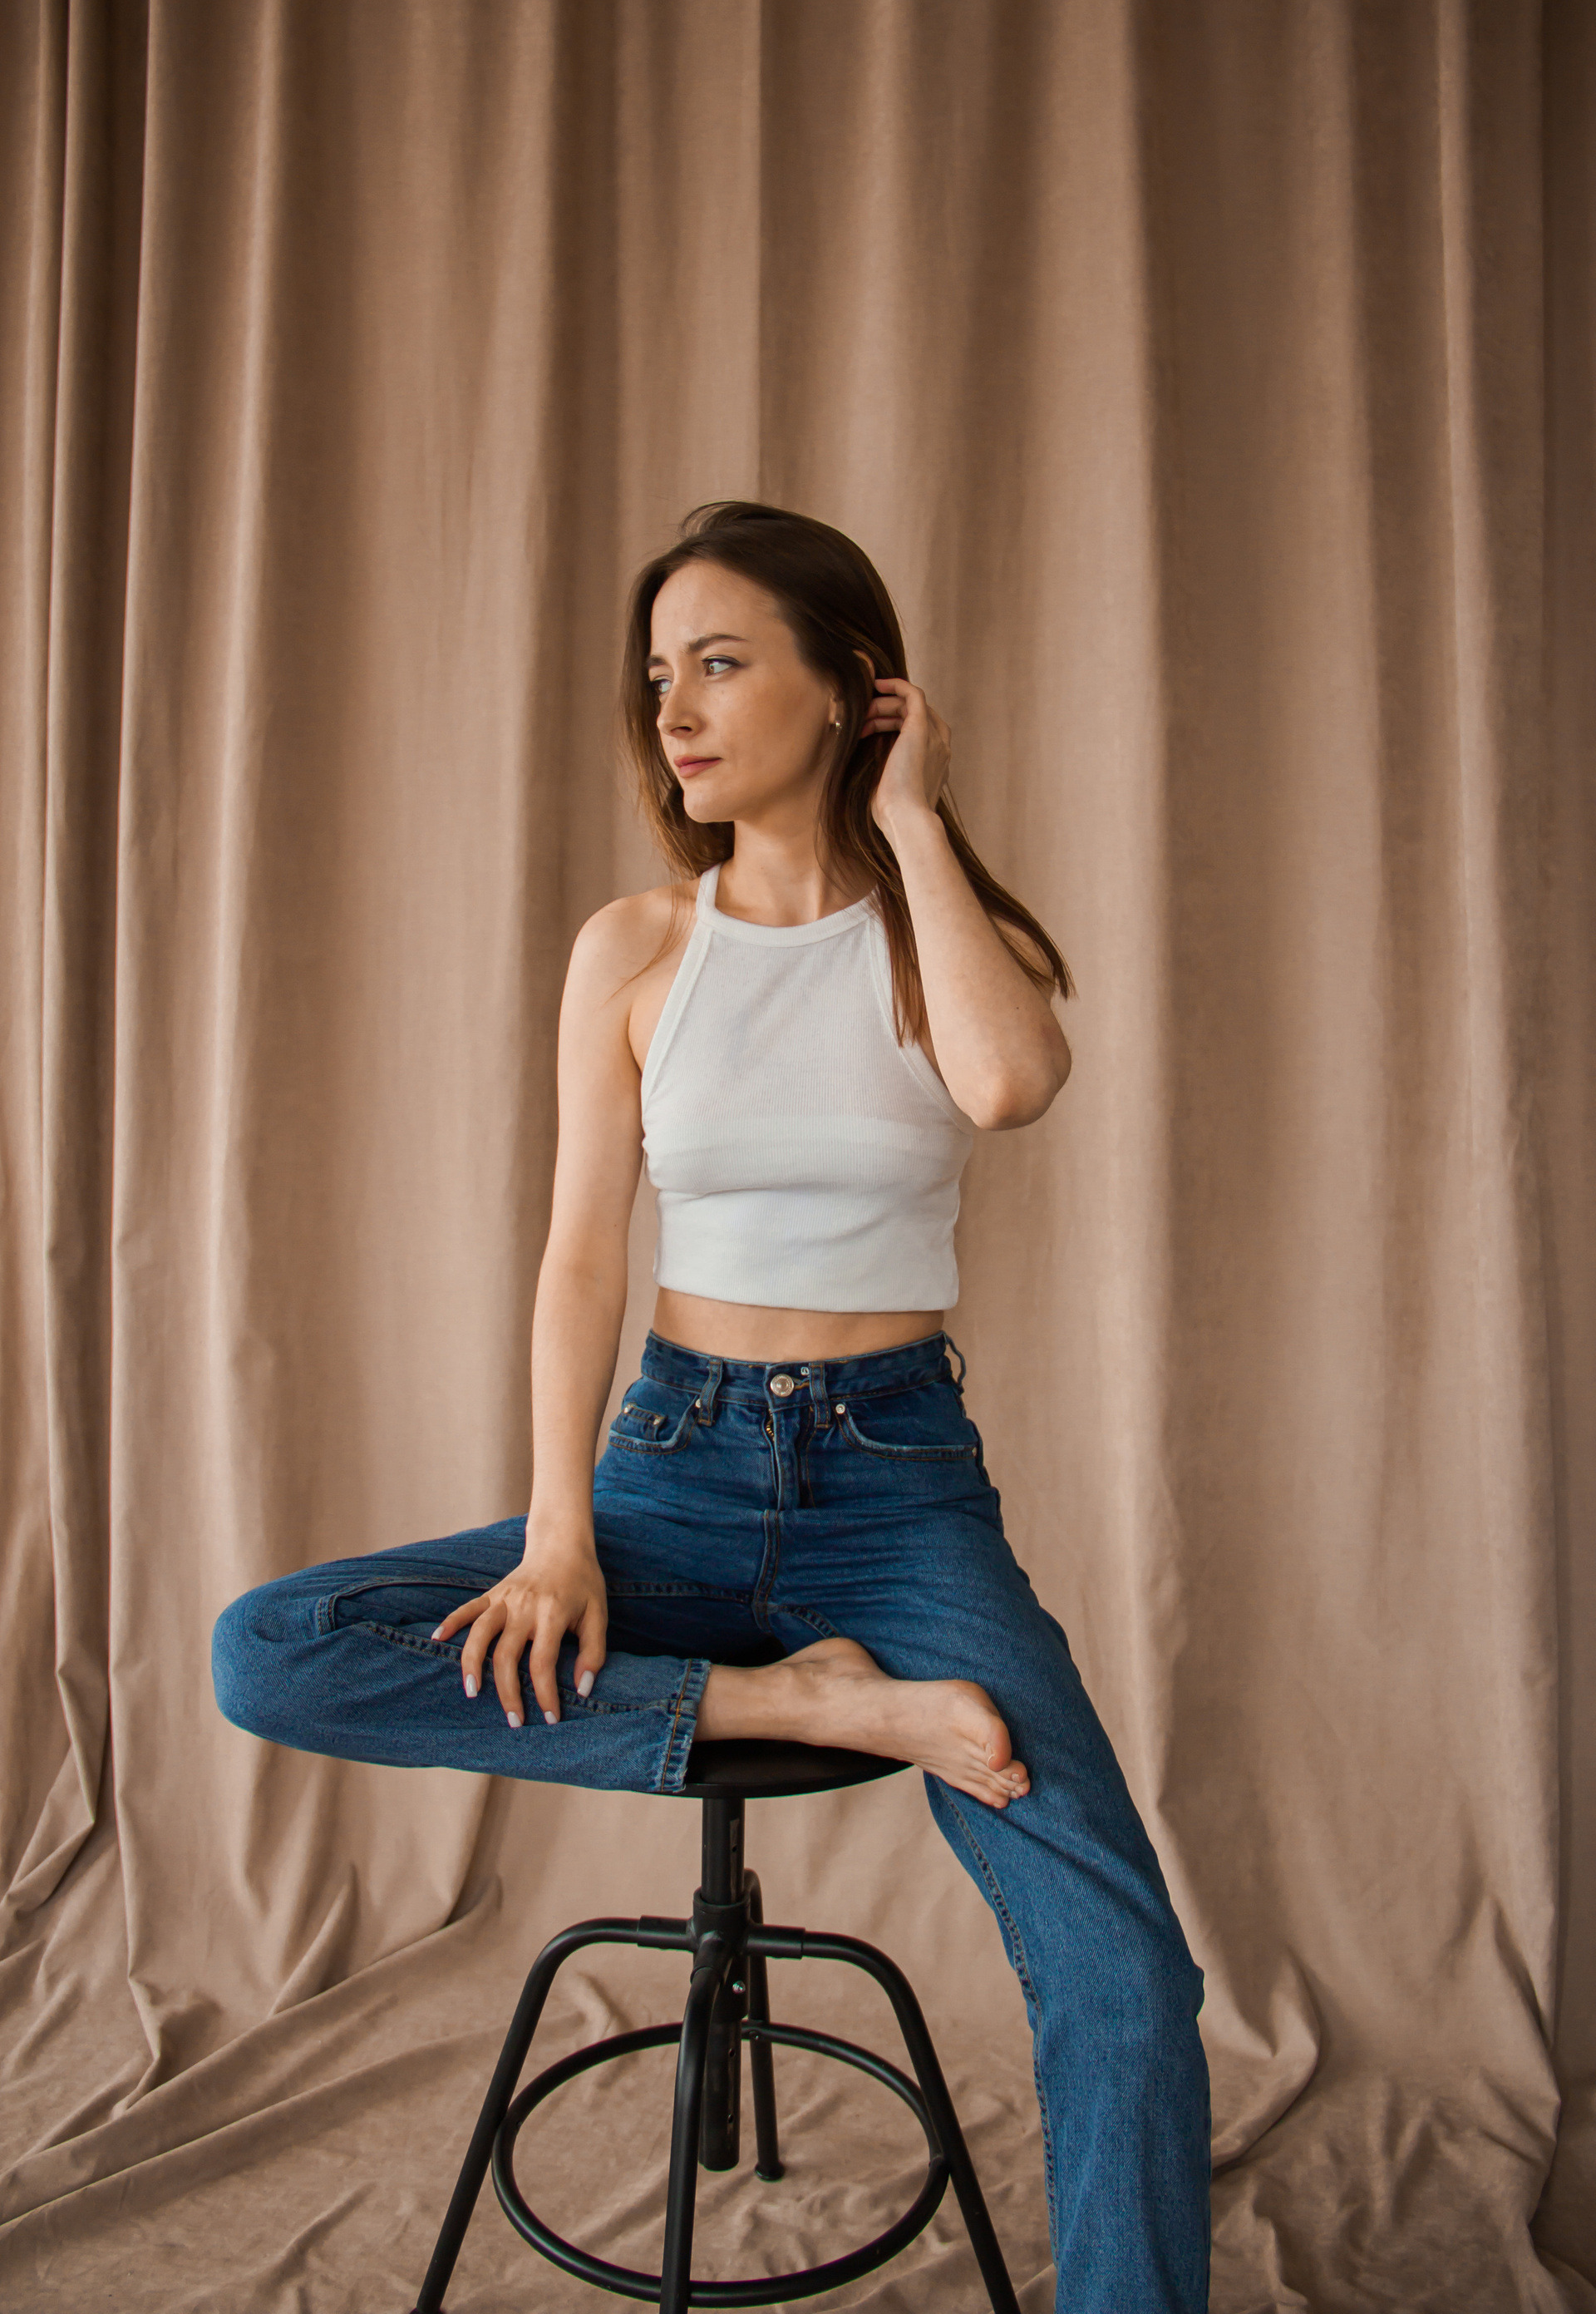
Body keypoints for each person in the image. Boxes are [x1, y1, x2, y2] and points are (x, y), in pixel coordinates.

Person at [212, 501, 1210, 2310]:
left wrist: (916, 820)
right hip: (670, 1472)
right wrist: (557, 1533)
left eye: (725, 663)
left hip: (897, 1494)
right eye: (661, 671)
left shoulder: (941, 934)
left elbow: (1008, 1085)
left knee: (1125, 1971)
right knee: (267, 1650)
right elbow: (580, 1259)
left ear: (849, 688)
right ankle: (805, 1699)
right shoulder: (635, 946)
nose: (673, 708)